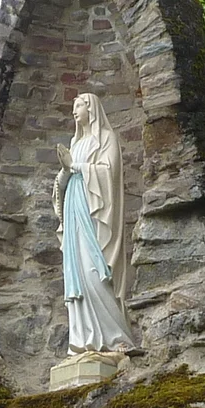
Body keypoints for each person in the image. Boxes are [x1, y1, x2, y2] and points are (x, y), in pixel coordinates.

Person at [53, 93, 136, 354]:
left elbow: (109, 171)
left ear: (91, 109)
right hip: (74, 209)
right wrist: (66, 171)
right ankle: (82, 340)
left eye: (78, 105)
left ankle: (114, 336)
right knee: (76, 269)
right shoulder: (75, 143)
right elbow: (61, 183)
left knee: (93, 270)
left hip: (94, 212)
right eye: (73, 107)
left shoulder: (106, 139)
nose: (74, 111)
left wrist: (76, 167)